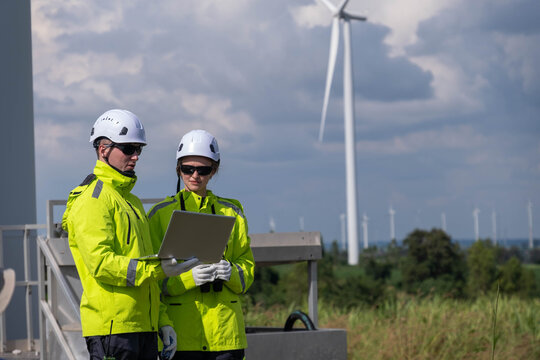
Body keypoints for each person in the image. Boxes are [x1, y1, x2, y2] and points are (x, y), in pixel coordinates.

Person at [62, 109, 199, 360]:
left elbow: (146, 267)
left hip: (143, 327)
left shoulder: (132, 202)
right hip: (113, 330)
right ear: (103, 149)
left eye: (139, 149)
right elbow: (102, 264)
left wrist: (162, 320)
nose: (135, 156)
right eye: (128, 149)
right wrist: (158, 270)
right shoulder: (93, 200)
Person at [148, 129, 255, 360]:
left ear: (214, 170)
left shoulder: (232, 212)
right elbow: (152, 282)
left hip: (227, 336)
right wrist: (188, 279)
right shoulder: (159, 215)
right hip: (182, 337)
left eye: (203, 170)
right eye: (188, 169)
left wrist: (232, 273)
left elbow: (247, 271)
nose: (195, 175)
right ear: (178, 169)